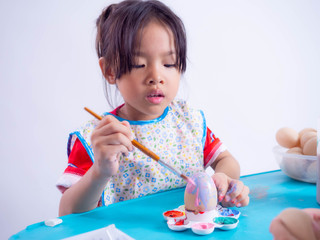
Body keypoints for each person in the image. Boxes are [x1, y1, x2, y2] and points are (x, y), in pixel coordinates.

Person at [57, 0, 250, 216]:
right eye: (139, 64)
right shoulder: (100, 138)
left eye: (169, 64)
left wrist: (223, 179)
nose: (156, 77)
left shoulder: (189, 121)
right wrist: (100, 171)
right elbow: (67, 213)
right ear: (110, 70)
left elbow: (226, 161)